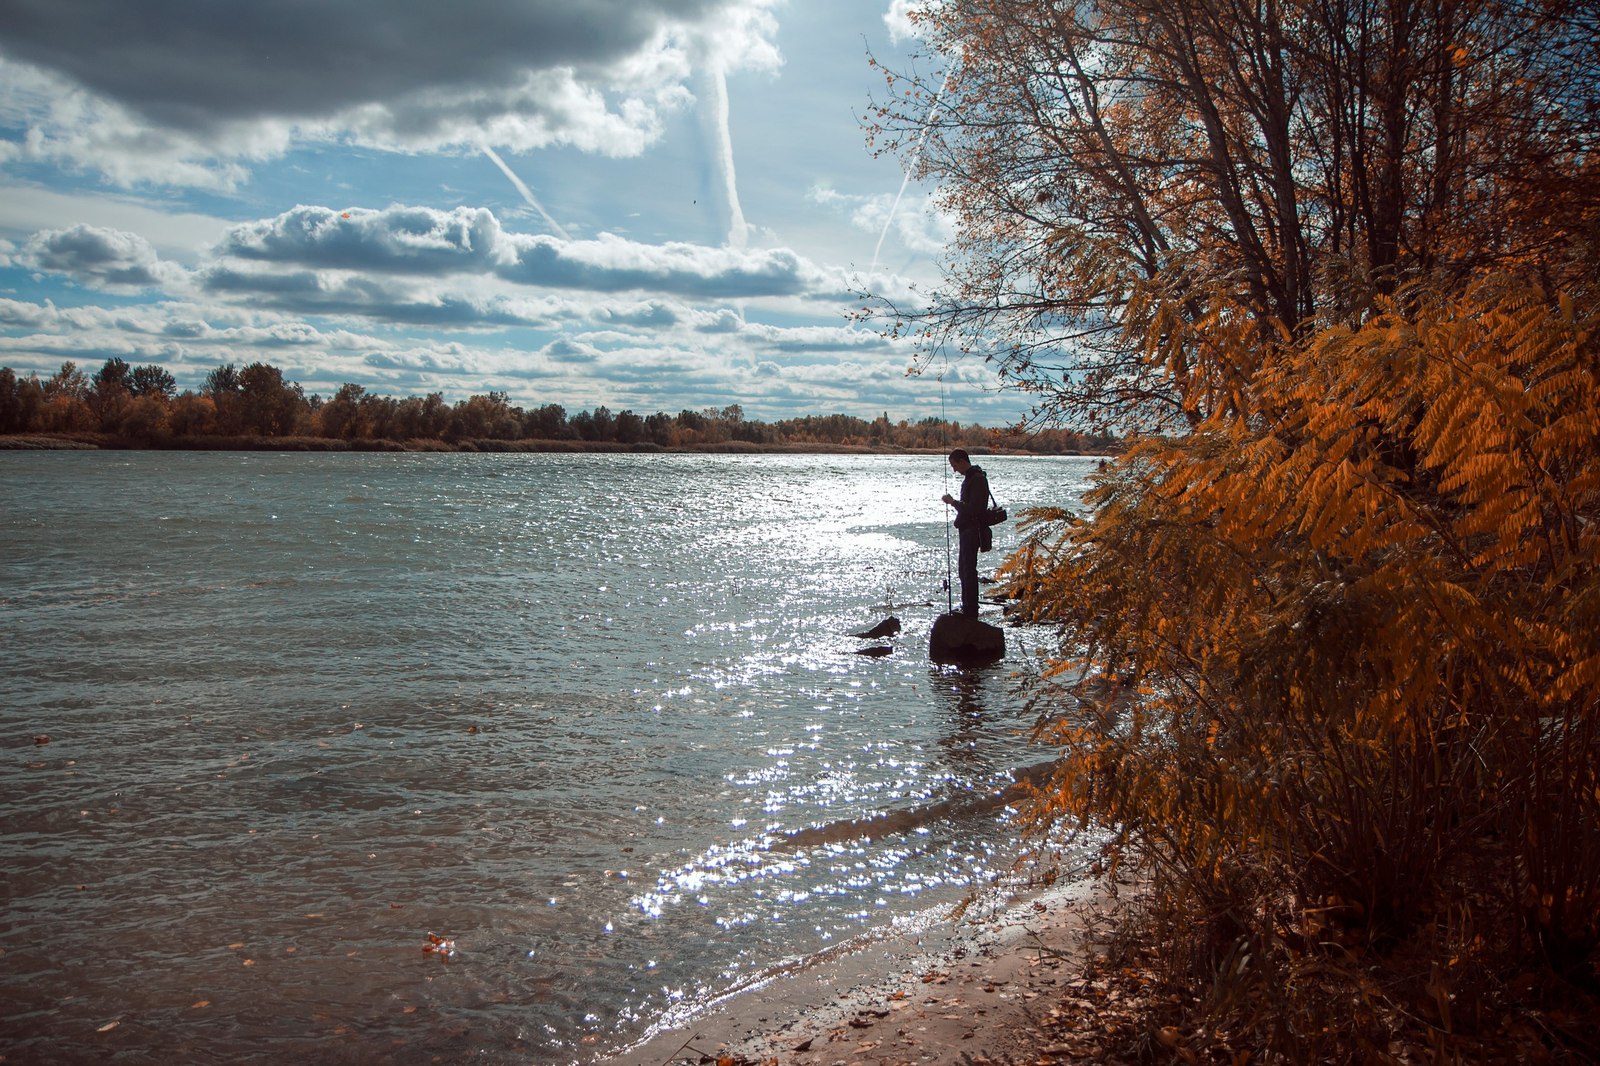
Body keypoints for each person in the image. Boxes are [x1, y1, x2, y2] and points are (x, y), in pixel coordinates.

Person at [940, 449, 991, 617]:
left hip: (972, 531)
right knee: (964, 570)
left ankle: (970, 609)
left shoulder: (977, 479)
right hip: (967, 530)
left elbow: (974, 509)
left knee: (968, 570)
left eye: (954, 465)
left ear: (962, 461)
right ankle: (968, 606)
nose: (954, 470)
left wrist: (953, 502)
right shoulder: (972, 478)